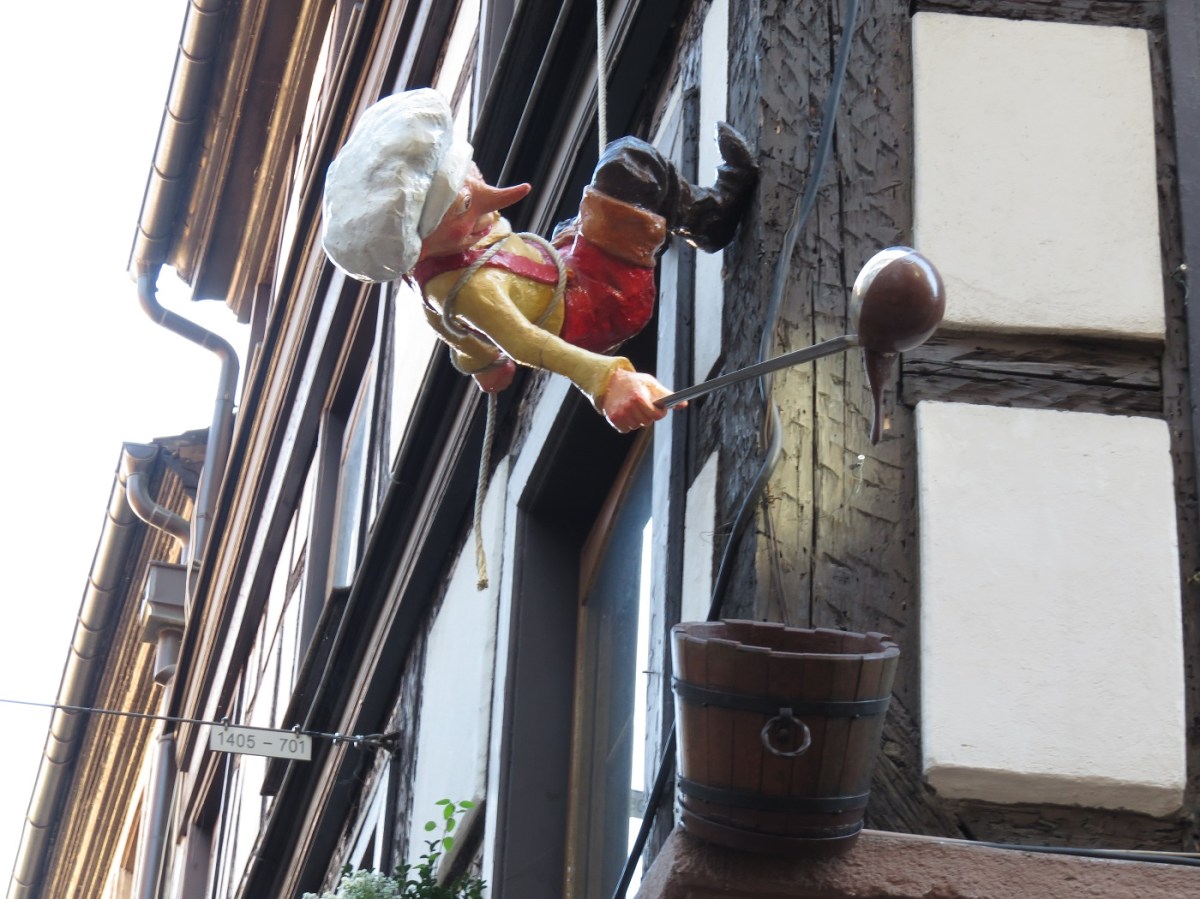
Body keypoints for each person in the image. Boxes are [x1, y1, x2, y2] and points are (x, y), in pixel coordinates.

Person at [322, 88, 757, 432]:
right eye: (463, 206)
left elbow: (449, 329)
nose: (492, 200)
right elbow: (526, 343)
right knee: (630, 165)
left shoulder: (432, 267)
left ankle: (667, 223)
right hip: (598, 305)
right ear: (423, 238)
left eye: (473, 173)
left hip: (563, 266)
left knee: (602, 212)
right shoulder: (469, 289)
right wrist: (607, 382)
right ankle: (710, 219)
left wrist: (481, 363)